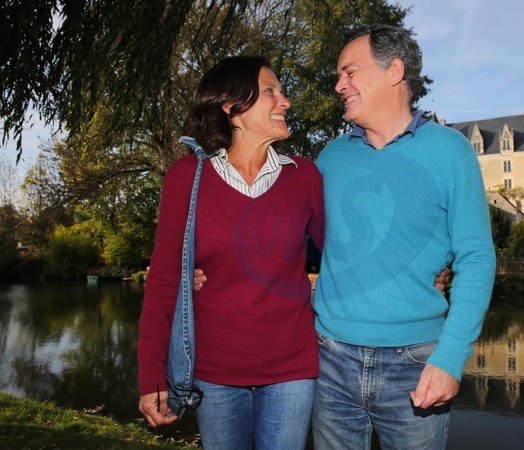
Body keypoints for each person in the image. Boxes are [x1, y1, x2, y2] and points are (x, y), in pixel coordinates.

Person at [308, 24, 496, 449]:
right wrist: (216, 265)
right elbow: (302, 242)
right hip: (329, 360)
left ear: (394, 71)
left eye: (349, 72)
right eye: (339, 76)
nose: (339, 85)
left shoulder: (451, 151)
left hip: (417, 363)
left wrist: (450, 358)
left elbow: (477, 258)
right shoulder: (330, 158)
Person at [137, 56, 324, 449]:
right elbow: (164, 282)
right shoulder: (186, 177)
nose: (285, 101)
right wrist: (152, 376)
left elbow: (345, 255)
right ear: (230, 105)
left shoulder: (304, 175)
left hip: (292, 370)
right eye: (271, 91)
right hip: (213, 374)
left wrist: (421, 269)